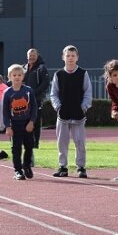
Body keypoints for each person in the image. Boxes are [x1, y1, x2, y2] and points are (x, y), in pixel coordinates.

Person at [50, 45, 92, 178]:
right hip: (63, 114)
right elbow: (53, 94)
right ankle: (63, 167)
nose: (70, 58)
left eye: (73, 55)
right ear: (63, 57)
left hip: (78, 114)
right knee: (62, 142)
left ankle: (81, 167)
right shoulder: (58, 74)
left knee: (80, 142)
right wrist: (58, 106)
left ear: (77, 57)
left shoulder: (83, 73)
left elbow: (88, 92)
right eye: (67, 55)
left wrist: (84, 106)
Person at [2, 64, 38, 180]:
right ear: (10, 77)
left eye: (19, 75)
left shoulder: (28, 90)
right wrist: (7, 126)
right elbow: (5, 112)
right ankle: (18, 170)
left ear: (23, 76)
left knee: (29, 146)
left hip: (27, 123)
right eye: (14, 75)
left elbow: (34, 108)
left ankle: (26, 166)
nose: (17, 77)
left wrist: (32, 122)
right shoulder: (7, 93)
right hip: (15, 124)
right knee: (16, 148)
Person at [23, 48, 50, 148]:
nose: (32, 57)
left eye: (34, 55)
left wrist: (34, 93)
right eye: (30, 55)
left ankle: (36, 143)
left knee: (36, 121)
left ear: (37, 56)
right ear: (27, 56)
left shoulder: (42, 68)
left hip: (36, 99)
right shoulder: (24, 68)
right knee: (25, 120)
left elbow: (45, 83)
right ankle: (27, 141)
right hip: (24, 100)